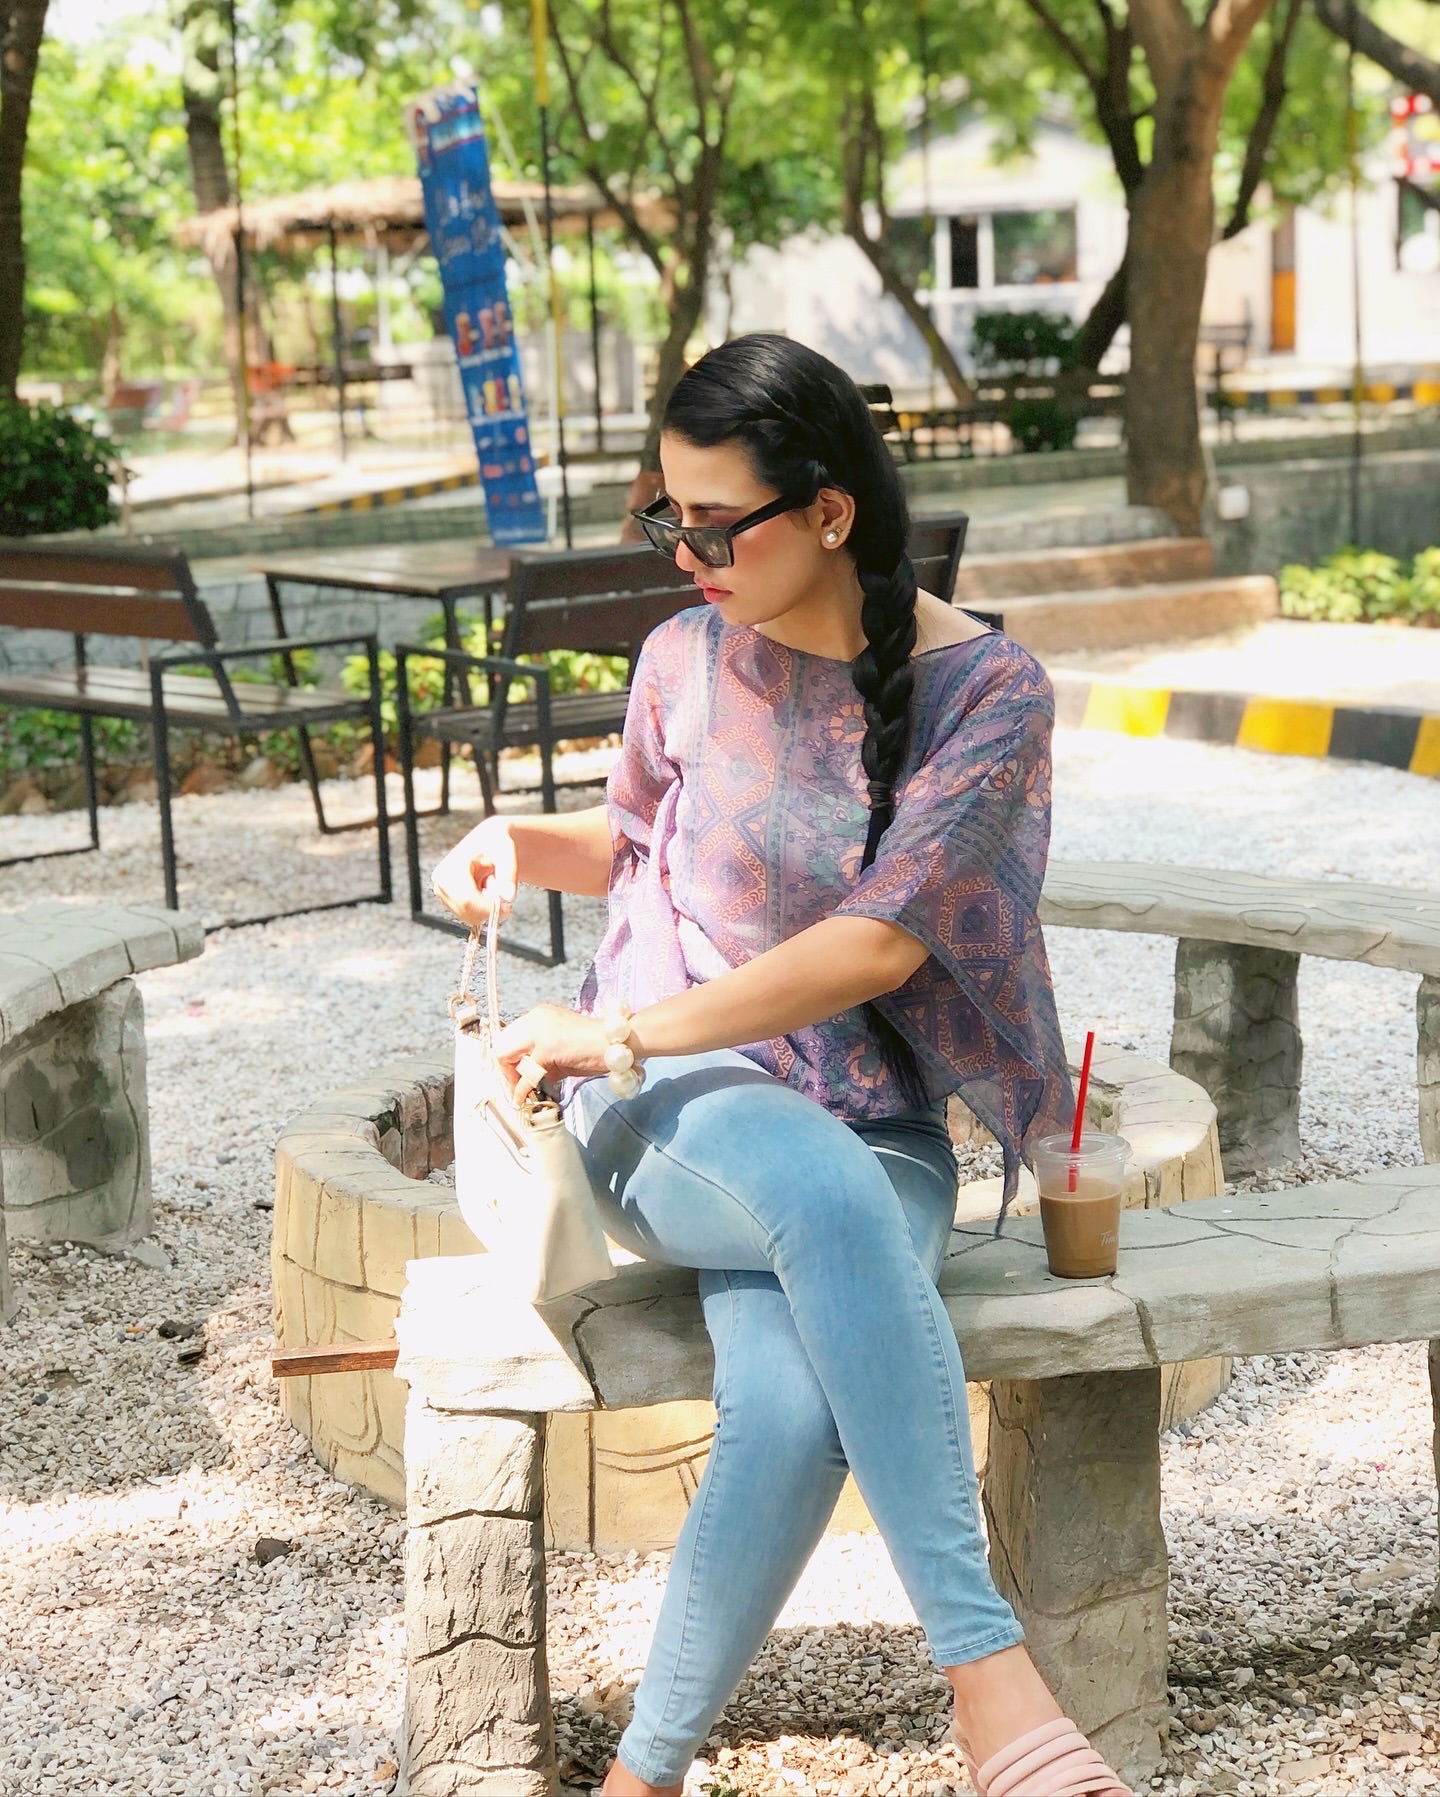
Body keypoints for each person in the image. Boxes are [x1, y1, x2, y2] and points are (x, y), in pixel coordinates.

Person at [430, 334, 1133, 1797]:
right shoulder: (682, 656)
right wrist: (518, 840)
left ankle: (641, 1778)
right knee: (821, 1193)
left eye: (713, 524)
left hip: (870, 1124)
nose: (684, 555)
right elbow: (640, 839)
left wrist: (619, 1028)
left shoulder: (988, 693)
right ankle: (992, 1683)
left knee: (798, 1402)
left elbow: (875, 948)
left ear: (828, 512)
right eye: (665, 519)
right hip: (663, 1105)